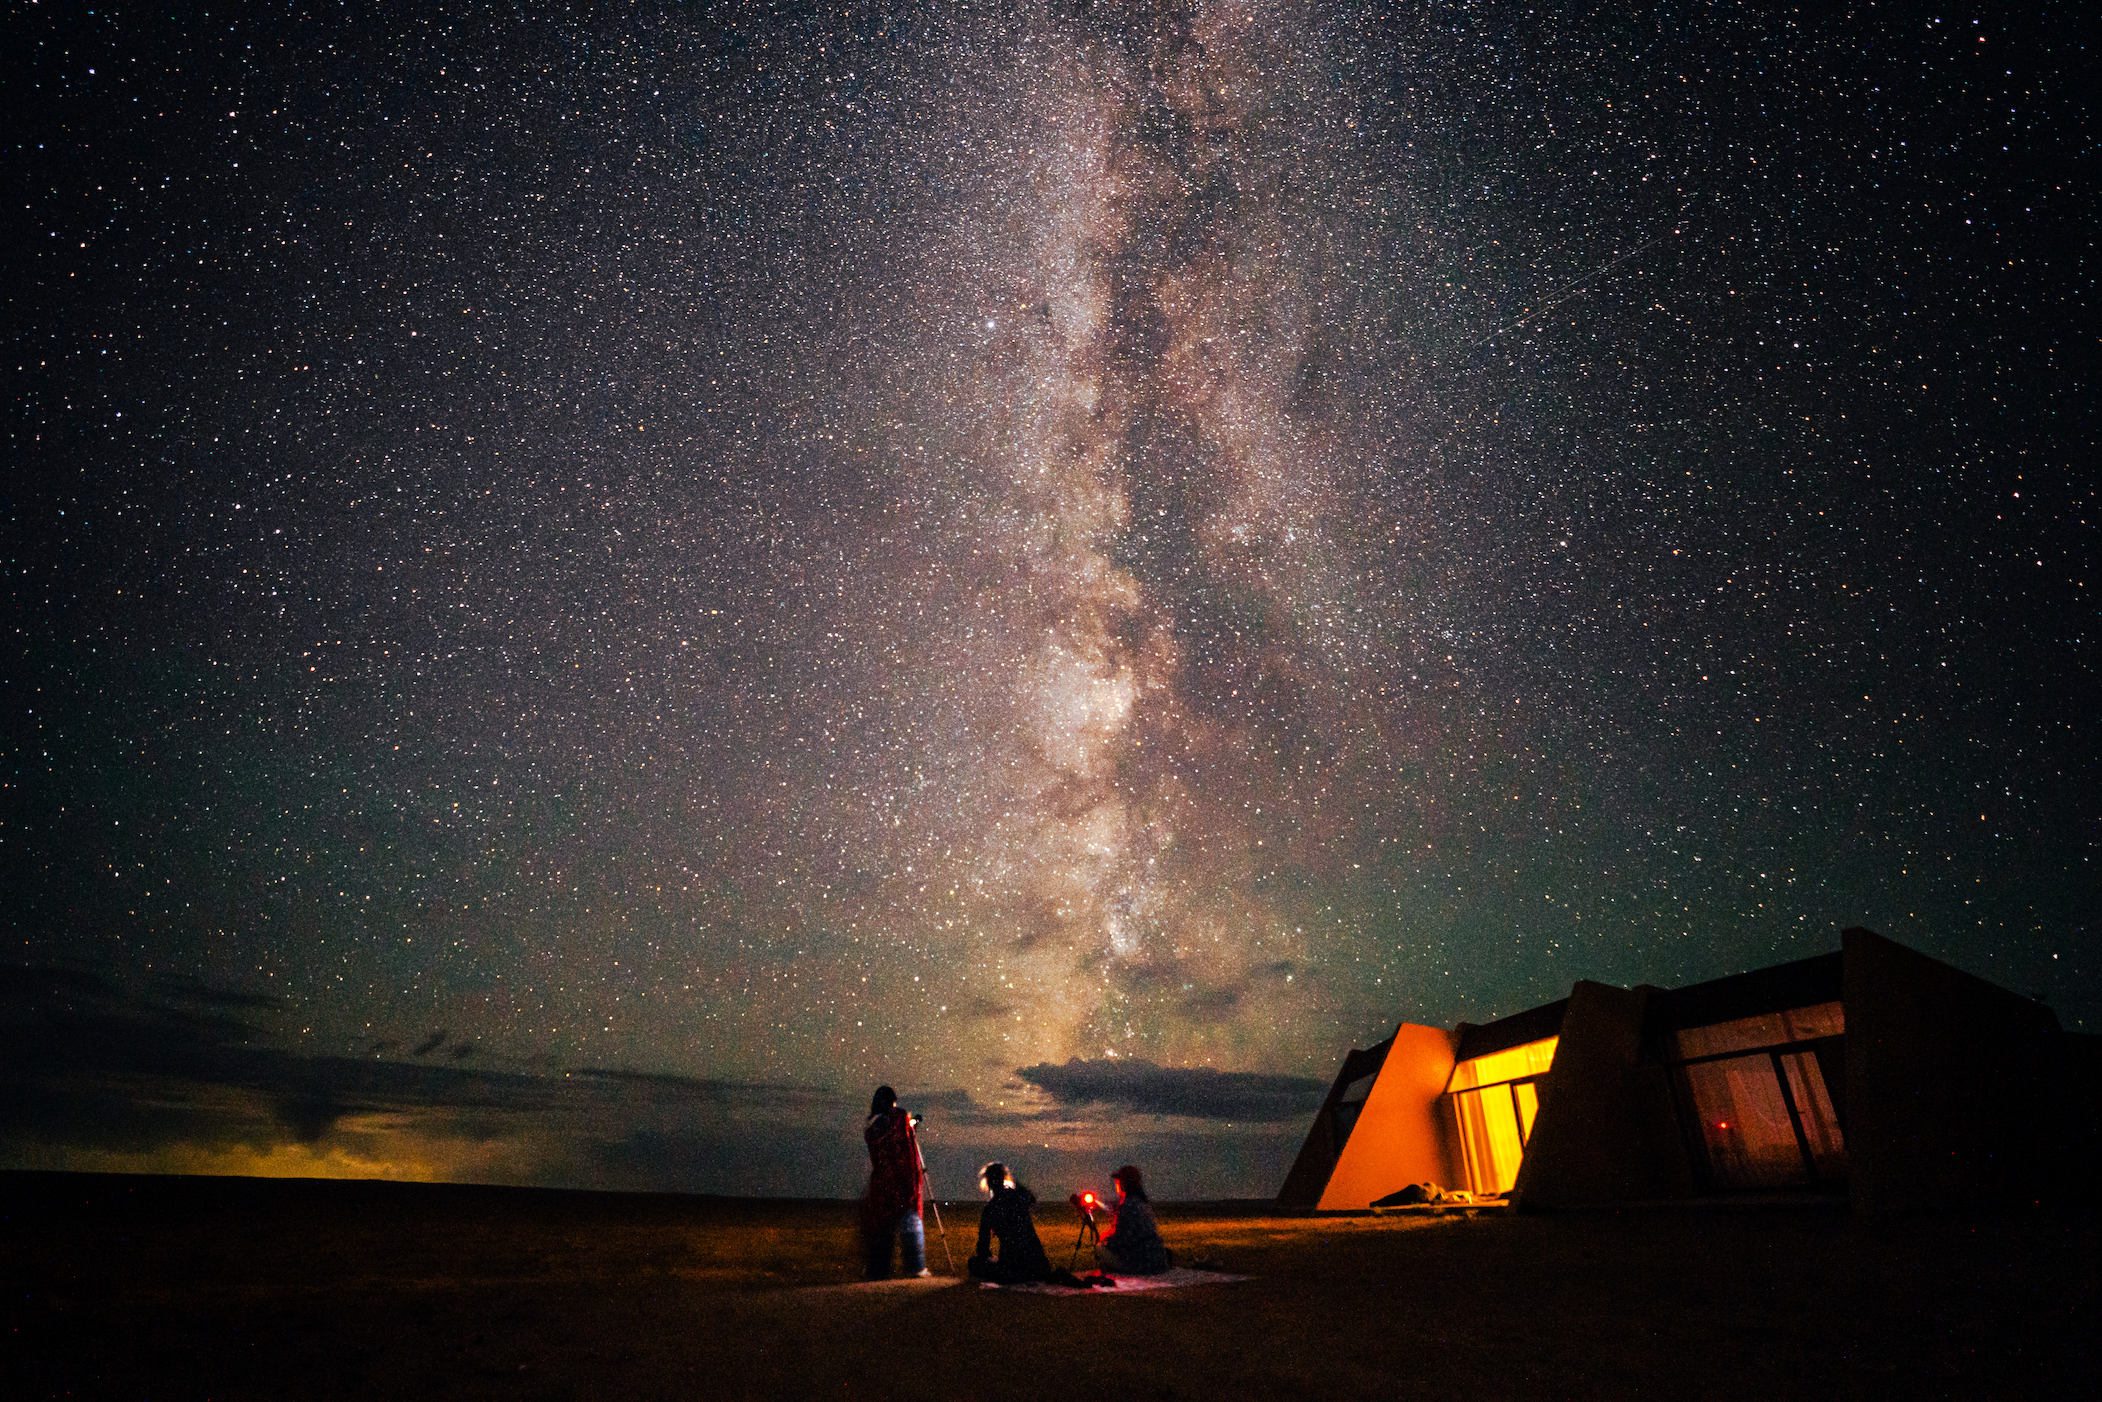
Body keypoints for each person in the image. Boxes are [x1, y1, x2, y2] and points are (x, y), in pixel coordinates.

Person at [861, 1085, 929, 1279]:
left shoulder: (874, 1126)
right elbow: (900, 1130)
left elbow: (888, 1138)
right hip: (903, 1181)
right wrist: (912, 1122)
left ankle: (877, 1269)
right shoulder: (899, 1117)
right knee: (911, 1222)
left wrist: (910, 1125)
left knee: (882, 1227)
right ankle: (916, 1266)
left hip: (882, 1183)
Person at [965, 1162, 1052, 1285]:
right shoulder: (1018, 1196)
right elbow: (1032, 1198)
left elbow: (983, 1245)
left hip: (1012, 1268)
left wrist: (986, 1257)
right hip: (1038, 1265)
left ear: (988, 1182)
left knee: (974, 1263)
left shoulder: (991, 1208)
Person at [1094, 1163, 1174, 1276]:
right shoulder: (1141, 1202)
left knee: (1100, 1248)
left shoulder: (1127, 1206)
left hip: (1139, 1263)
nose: (1116, 1184)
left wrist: (1104, 1238)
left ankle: (1113, 1274)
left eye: (1118, 1181)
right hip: (1156, 1261)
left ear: (1123, 1183)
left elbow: (1120, 1239)